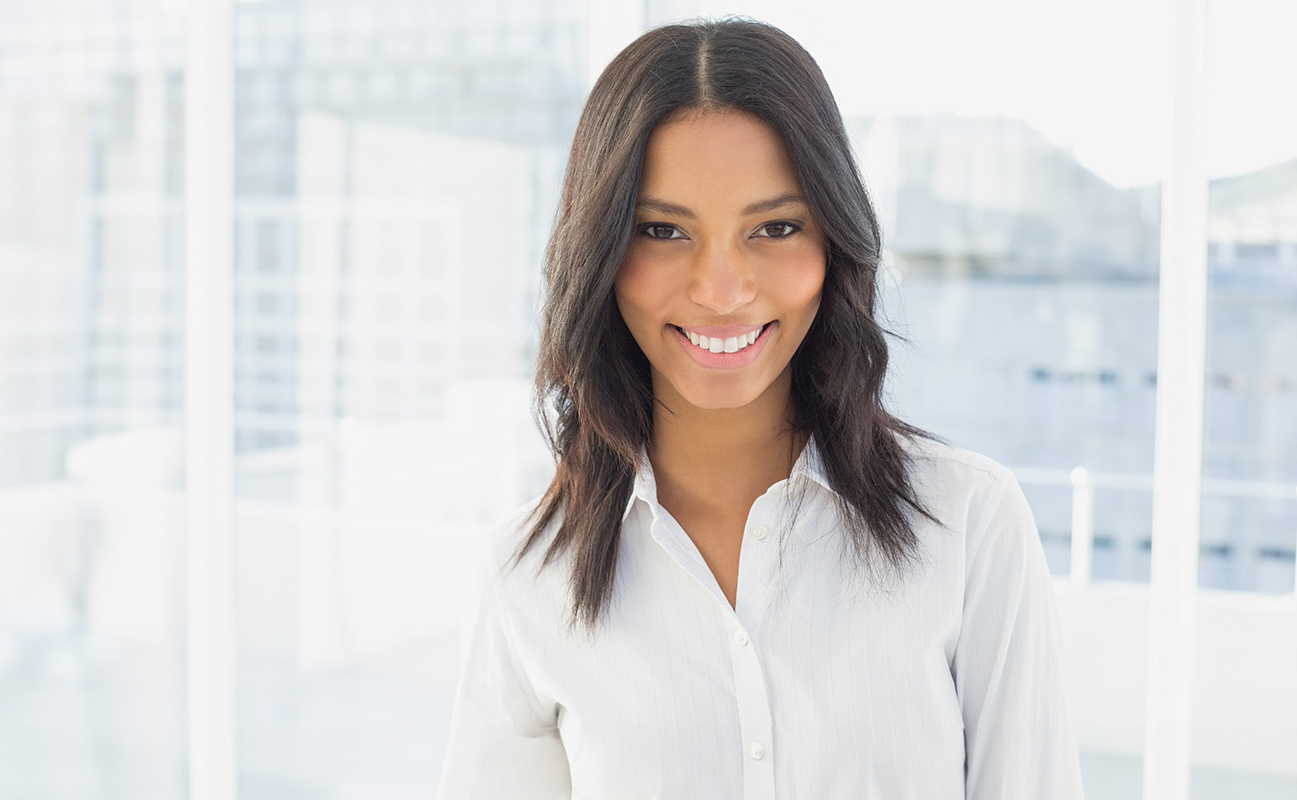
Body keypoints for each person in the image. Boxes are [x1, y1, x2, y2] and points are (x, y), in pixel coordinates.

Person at [436, 18, 1082, 799]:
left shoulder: (969, 525)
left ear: (834, 243)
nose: (720, 288)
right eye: (662, 230)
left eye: (775, 228)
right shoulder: (529, 577)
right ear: (601, 251)